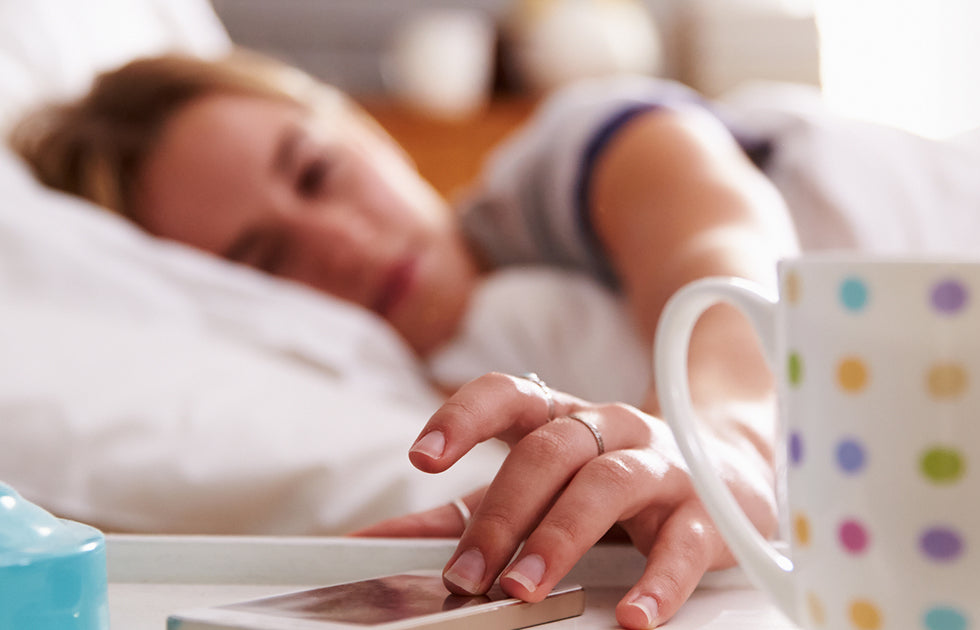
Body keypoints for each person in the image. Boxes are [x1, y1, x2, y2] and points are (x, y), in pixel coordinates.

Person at [8, 50, 799, 629]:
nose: (344, 244)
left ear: (356, 122)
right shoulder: (420, 386)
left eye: (317, 172)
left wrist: (713, 442)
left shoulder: (560, 161)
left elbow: (725, 257)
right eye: (266, 260)